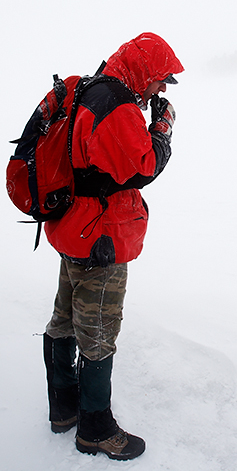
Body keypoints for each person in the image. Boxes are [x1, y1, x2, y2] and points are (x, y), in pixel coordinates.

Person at [42, 32, 183, 460]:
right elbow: (142, 166)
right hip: (100, 238)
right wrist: (162, 128)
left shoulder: (90, 88)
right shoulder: (116, 105)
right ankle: (95, 428)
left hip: (72, 228)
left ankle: (64, 408)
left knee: (64, 318)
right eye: (161, 80)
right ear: (145, 71)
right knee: (99, 333)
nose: (161, 90)